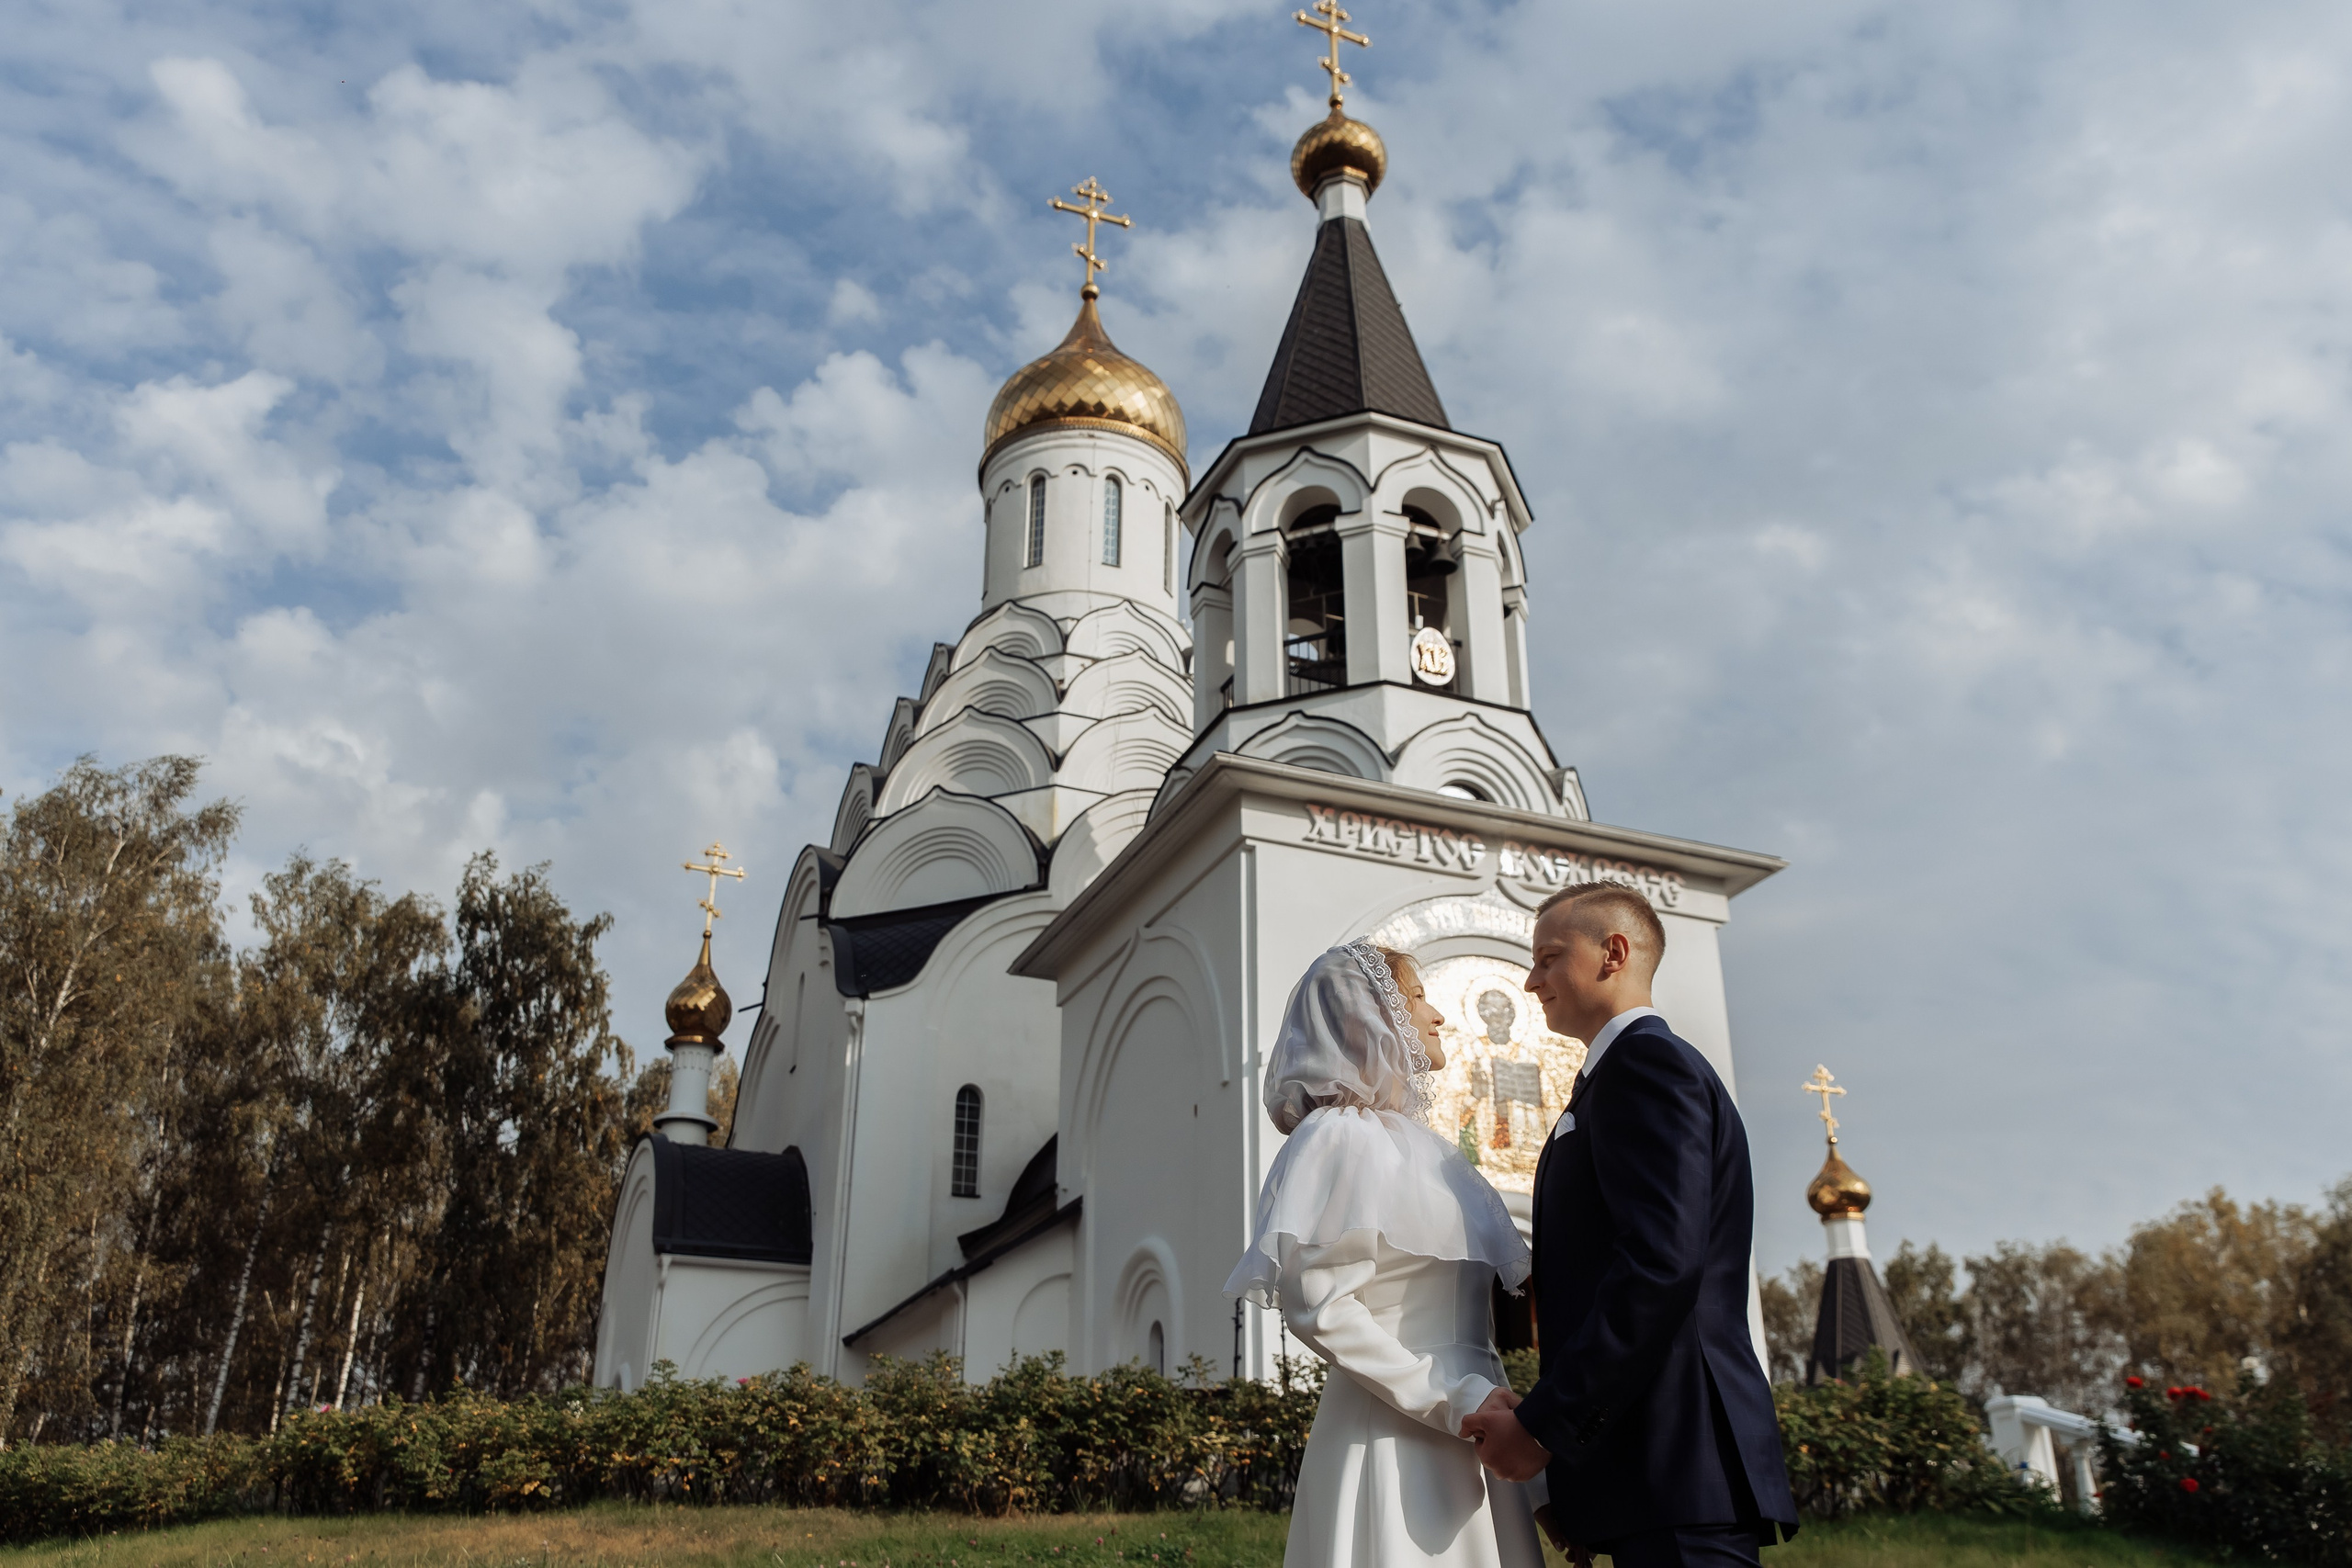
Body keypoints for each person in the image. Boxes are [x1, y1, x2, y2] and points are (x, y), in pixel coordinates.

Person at [1460, 883, 1800, 1568]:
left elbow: (1659, 1265)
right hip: (1645, 1477)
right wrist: (1579, 1482)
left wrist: (1542, 1430)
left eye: (1550, 957)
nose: (1531, 980)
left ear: (1613, 953)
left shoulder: (1646, 1065)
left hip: (1678, 1462)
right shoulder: (1610, 1077)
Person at [1227, 940, 1543, 1568]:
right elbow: (1321, 1306)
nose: (1438, 1015)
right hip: (1397, 1427)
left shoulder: (1425, 1147)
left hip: (1474, 1419)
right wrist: (1455, 1401)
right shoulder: (1340, 1137)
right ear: (1366, 1016)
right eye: (1418, 997)